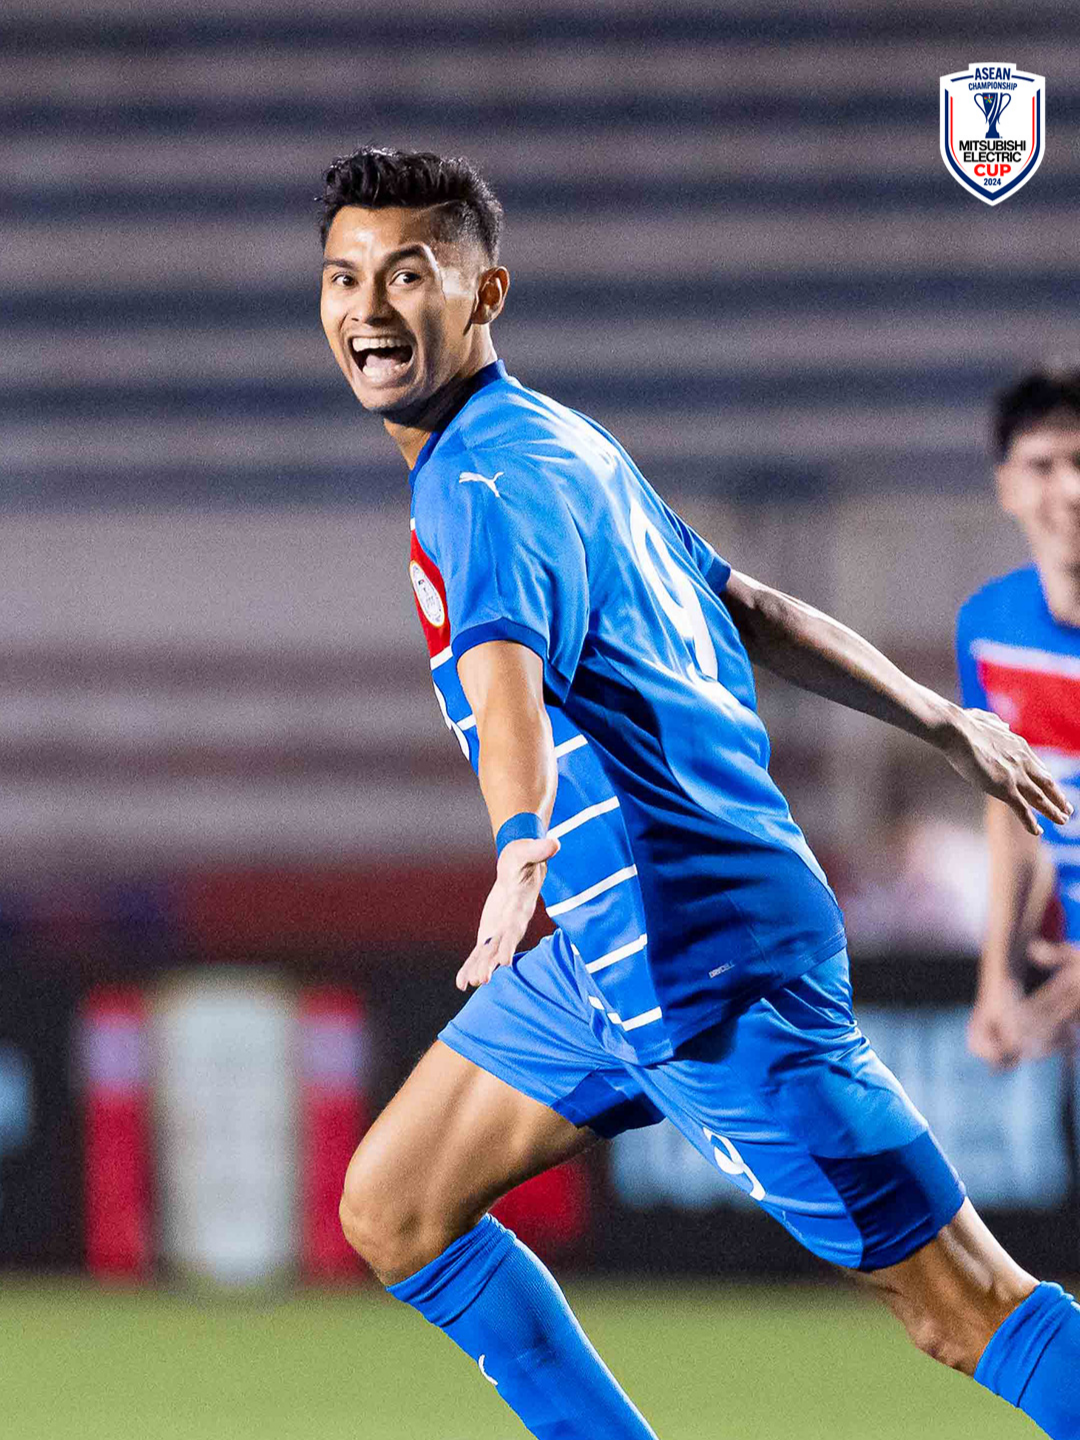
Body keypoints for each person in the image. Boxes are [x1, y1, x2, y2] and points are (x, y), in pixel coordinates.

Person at [319, 148, 1080, 1440]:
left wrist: (515, 843)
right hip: (603, 961)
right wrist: (939, 716)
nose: (371, 311)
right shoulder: (564, 441)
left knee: (965, 1309)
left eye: (410, 274)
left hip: (706, 960)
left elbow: (503, 676)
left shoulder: (478, 486)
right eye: (343, 278)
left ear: (484, 292)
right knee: (393, 1204)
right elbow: (752, 606)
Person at [958, 367, 1080, 1072]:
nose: (1070, 490)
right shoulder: (988, 628)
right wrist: (995, 986)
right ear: (1008, 487)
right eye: (1044, 466)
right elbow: (1012, 817)